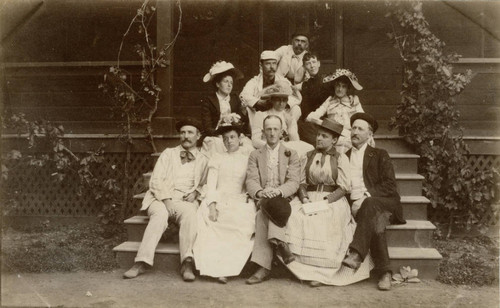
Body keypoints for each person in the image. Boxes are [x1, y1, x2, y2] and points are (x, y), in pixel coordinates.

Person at [283, 118, 373, 287]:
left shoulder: (340, 158)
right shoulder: (307, 156)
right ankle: (301, 271)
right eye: (318, 135)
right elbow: (301, 181)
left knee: (325, 221)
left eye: (324, 136)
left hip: (332, 200)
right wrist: (304, 198)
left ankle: (323, 274)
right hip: (308, 197)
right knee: (295, 217)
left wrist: (326, 201)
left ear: (334, 140)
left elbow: (344, 187)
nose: (319, 139)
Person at [123, 118, 209, 282]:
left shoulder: (204, 159)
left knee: (191, 214)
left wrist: (197, 193)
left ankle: (187, 262)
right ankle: (141, 261)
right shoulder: (168, 154)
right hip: (160, 198)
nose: (186, 136)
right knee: (160, 215)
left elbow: (206, 183)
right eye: (183, 132)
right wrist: (167, 201)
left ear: (198, 136)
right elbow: (155, 181)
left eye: (190, 132)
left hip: (185, 200)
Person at [341, 112, 406, 291]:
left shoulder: (379, 154)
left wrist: (366, 196)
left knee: (371, 207)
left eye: (360, 129)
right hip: (358, 206)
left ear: (370, 135)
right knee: (375, 220)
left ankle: (356, 254)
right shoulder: (344, 156)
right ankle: (385, 272)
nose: (355, 132)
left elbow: (390, 186)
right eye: (353, 128)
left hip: (385, 203)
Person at [193, 118, 256, 284]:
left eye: (233, 137)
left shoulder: (247, 158)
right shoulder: (217, 158)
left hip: (239, 199)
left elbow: (249, 183)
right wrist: (212, 205)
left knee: (241, 222)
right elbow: (211, 184)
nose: (229, 141)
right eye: (226, 138)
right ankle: (215, 269)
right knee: (212, 223)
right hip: (218, 199)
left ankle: (229, 268)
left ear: (240, 138)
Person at [245, 115, 301, 285]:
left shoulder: (291, 154)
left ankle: (264, 267)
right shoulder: (255, 154)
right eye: (268, 129)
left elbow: (294, 181)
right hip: (263, 196)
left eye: (275, 129)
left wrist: (277, 192)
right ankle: (280, 243)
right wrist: (261, 192)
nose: (272, 133)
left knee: (264, 213)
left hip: (284, 197)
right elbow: (251, 180)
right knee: (263, 211)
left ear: (282, 132)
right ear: (263, 132)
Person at [306, 69, 365, 153]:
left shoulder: (354, 102)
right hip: (333, 136)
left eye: (343, 86)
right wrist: (324, 123)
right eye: (338, 85)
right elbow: (311, 117)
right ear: (334, 86)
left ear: (347, 88)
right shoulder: (329, 101)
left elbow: (363, 120)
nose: (340, 89)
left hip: (349, 136)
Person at [200, 61, 253, 156]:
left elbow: (243, 123)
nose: (229, 85)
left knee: (248, 147)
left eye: (231, 83)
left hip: (233, 135)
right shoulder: (209, 100)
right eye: (226, 81)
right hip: (215, 135)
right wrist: (221, 129)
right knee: (218, 146)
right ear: (217, 84)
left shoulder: (235, 99)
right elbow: (207, 127)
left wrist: (243, 111)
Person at [239, 50, 302, 130]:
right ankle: (258, 132)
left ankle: (285, 131)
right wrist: (258, 102)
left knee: (296, 108)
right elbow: (243, 95)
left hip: (280, 112)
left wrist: (282, 103)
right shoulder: (254, 81)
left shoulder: (283, 81)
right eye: (268, 64)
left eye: (274, 63)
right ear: (261, 65)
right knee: (248, 108)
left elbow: (295, 97)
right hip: (262, 113)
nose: (272, 67)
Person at [251, 81, 313, 158]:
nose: (281, 103)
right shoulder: (261, 115)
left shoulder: (289, 117)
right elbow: (255, 141)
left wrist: (290, 127)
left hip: (286, 150)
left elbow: (296, 142)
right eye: (278, 100)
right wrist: (274, 147)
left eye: (284, 100)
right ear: (272, 100)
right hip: (268, 150)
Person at [295, 52, 330, 145]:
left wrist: (353, 97)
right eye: (308, 63)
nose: (312, 66)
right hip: (311, 120)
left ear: (319, 63)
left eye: (314, 62)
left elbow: (340, 90)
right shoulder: (306, 84)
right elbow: (305, 106)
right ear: (304, 67)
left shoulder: (327, 79)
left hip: (326, 117)